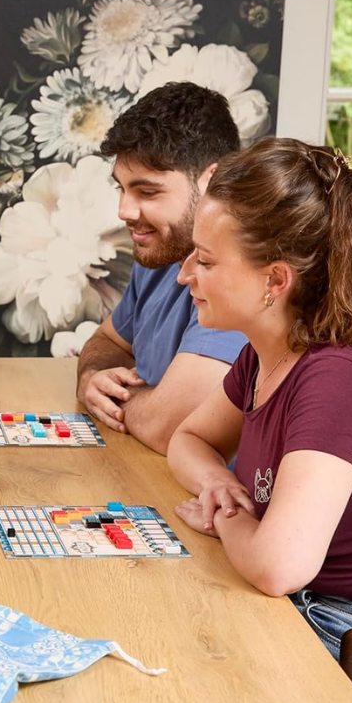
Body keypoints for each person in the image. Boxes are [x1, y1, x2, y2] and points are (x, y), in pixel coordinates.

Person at [168, 138, 352, 703]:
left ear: (275, 281)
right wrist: (216, 482)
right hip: (303, 604)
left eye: (206, 261)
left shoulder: (336, 378)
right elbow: (189, 439)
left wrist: (227, 517)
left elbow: (279, 567)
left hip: (350, 633)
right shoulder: (265, 355)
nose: (185, 275)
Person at [76, 82, 248, 454]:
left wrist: (115, 403)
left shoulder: (242, 278)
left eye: (148, 192)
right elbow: (109, 341)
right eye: (122, 189)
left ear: (213, 179)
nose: (124, 211)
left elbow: (168, 427)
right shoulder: (160, 251)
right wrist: (93, 378)